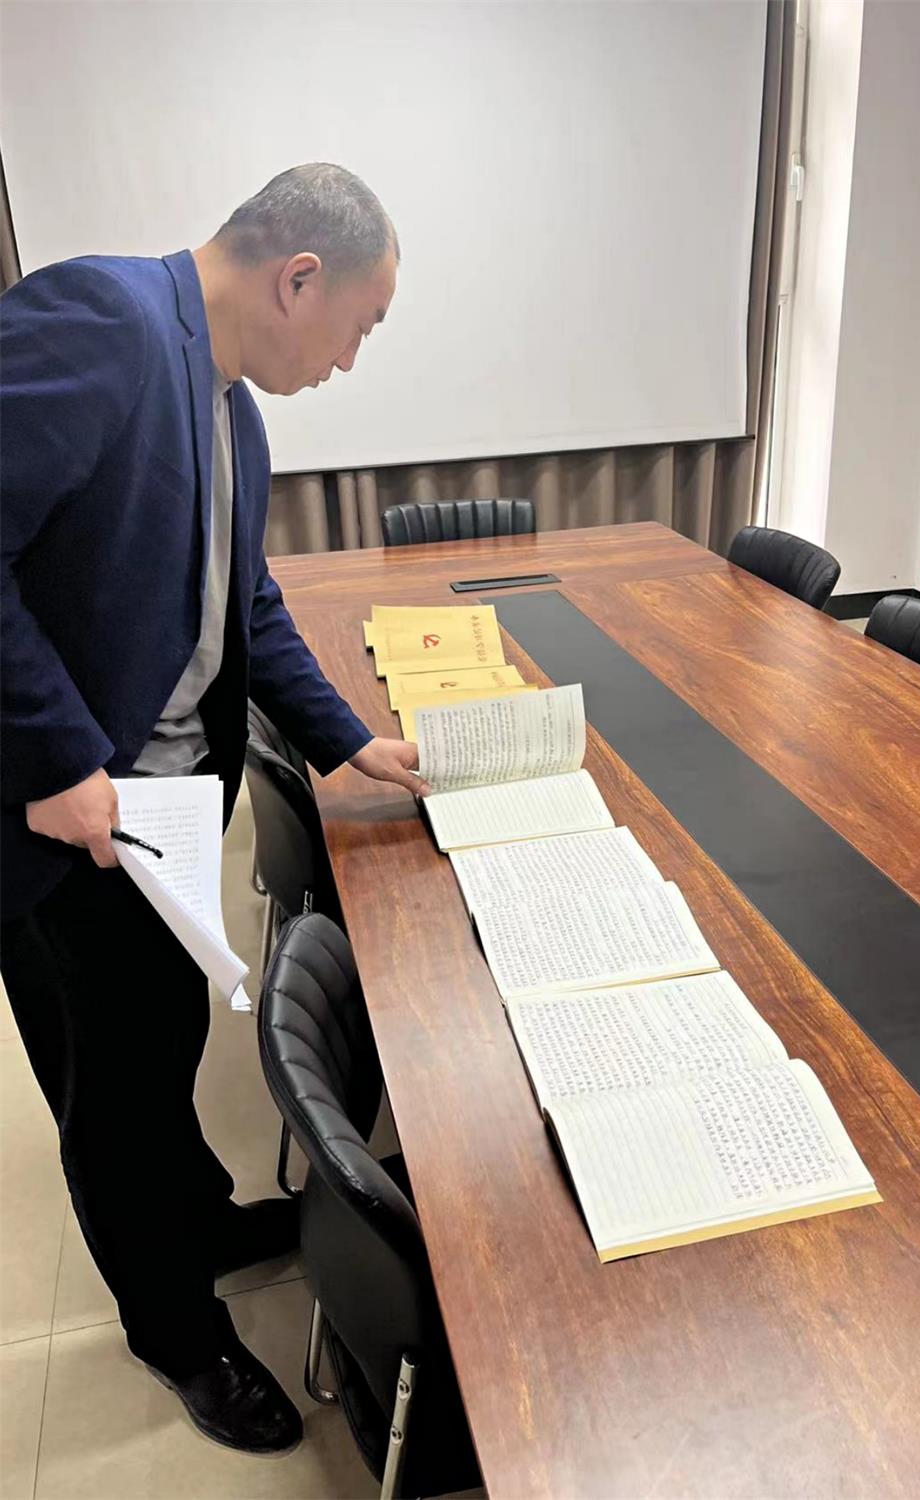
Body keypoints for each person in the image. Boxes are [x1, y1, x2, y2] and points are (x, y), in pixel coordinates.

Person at [1, 164, 430, 1454]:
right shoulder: (106, 325)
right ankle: (176, 1333)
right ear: (299, 280)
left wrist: (349, 743)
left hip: (162, 813)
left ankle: (191, 1221)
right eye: (360, 327)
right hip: (68, 822)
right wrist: (56, 760)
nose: (349, 361)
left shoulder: (231, 407)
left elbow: (247, 610)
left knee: (160, 1041)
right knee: (115, 1093)